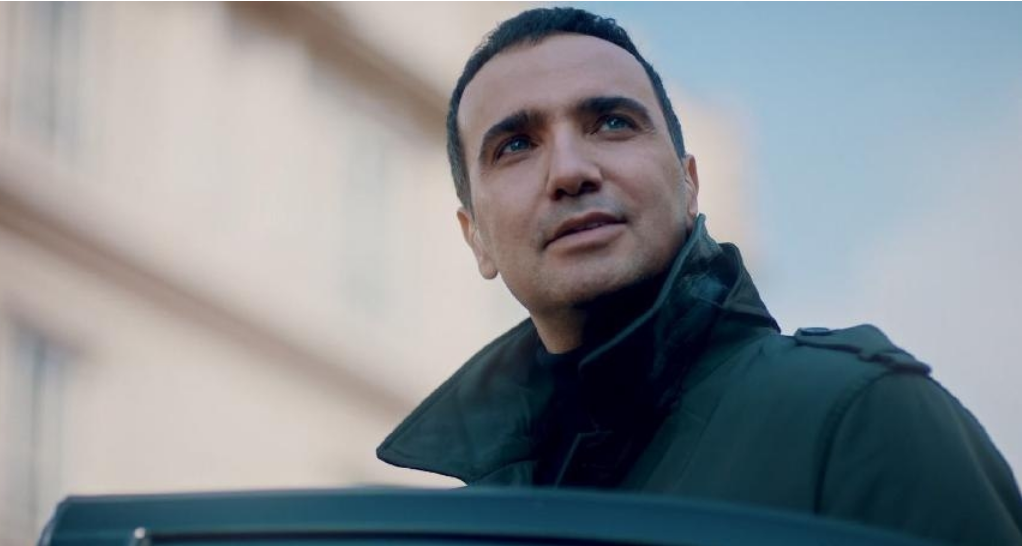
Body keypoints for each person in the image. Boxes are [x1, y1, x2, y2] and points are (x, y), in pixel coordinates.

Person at [376, 7, 1022, 545]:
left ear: (689, 186)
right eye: (515, 145)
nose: (569, 171)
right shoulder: (469, 527)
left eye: (612, 123)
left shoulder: (860, 416)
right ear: (476, 237)